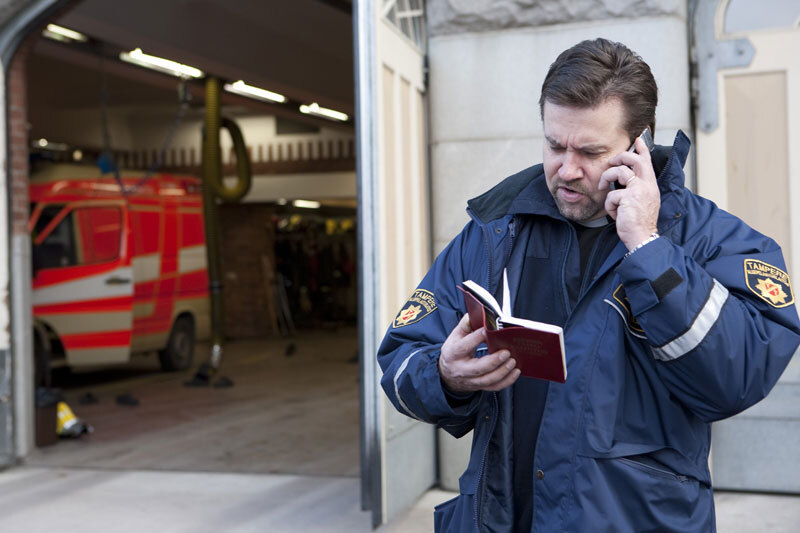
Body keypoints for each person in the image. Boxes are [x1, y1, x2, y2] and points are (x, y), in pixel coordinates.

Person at [377, 38, 800, 532]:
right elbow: (400, 358)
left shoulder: (710, 239)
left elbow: (737, 380)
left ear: (639, 146)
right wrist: (444, 375)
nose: (567, 169)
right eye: (555, 145)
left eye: (590, 151)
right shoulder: (492, 233)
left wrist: (649, 248)